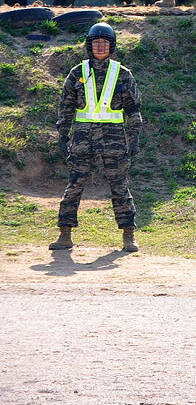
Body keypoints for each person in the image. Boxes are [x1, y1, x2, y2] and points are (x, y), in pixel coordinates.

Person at [50, 23, 143, 253]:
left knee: (120, 186)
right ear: (89, 45)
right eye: (96, 42)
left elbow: (133, 109)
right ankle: (65, 234)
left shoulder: (123, 73)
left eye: (105, 42)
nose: (100, 46)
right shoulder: (77, 73)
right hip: (82, 138)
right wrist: (63, 136)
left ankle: (128, 236)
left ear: (112, 45)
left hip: (114, 139)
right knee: (74, 186)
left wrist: (134, 138)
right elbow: (66, 107)